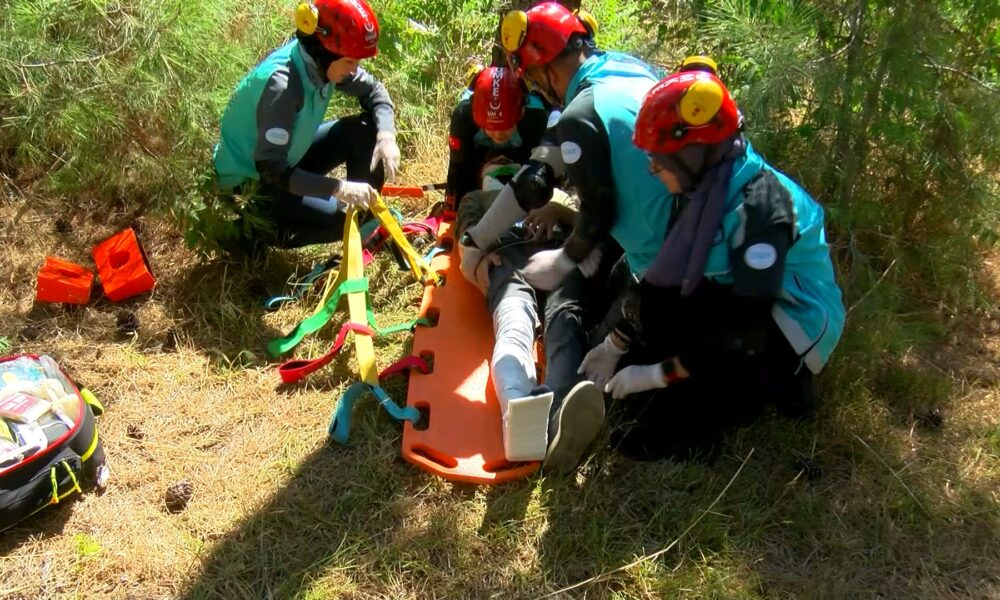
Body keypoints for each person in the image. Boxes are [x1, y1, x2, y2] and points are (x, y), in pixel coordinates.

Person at [580, 67, 845, 460]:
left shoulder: (763, 209)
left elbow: (742, 336)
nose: (652, 169)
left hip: (785, 326)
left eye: (659, 159)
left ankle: (768, 397)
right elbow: (659, 277)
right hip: (737, 302)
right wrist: (616, 343)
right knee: (662, 318)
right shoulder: (704, 187)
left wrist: (657, 374)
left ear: (692, 153)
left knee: (690, 393)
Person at [458, 2, 669, 470]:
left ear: (545, 70)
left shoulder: (580, 113)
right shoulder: (625, 69)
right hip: (659, 247)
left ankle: (556, 408)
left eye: (535, 81)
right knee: (514, 321)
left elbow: (577, 202)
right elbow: (537, 179)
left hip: (644, 262)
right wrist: (475, 248)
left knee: (566, 321)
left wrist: (557, 231)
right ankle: (522, 408)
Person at [212, 0, 401, 250]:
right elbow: (271, 170)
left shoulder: (322, 63)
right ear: (325, 51)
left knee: (364, 129)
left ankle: (364, 219)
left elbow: (375, 92)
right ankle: (246, 235)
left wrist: (386, 135)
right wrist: (339, 188)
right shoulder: (283, 86)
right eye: (349, 62)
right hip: (252, 184)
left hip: (287, 158)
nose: (354, 70)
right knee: (341, 221)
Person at [445, 65, 551, 212]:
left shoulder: (536, 119)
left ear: (522, 111)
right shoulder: (463, 118)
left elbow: (544, 172)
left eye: (506, 126)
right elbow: (458, 171)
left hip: (523, 151)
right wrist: (453, 212)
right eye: (492, 127)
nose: (499, 134)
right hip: (476, 155)